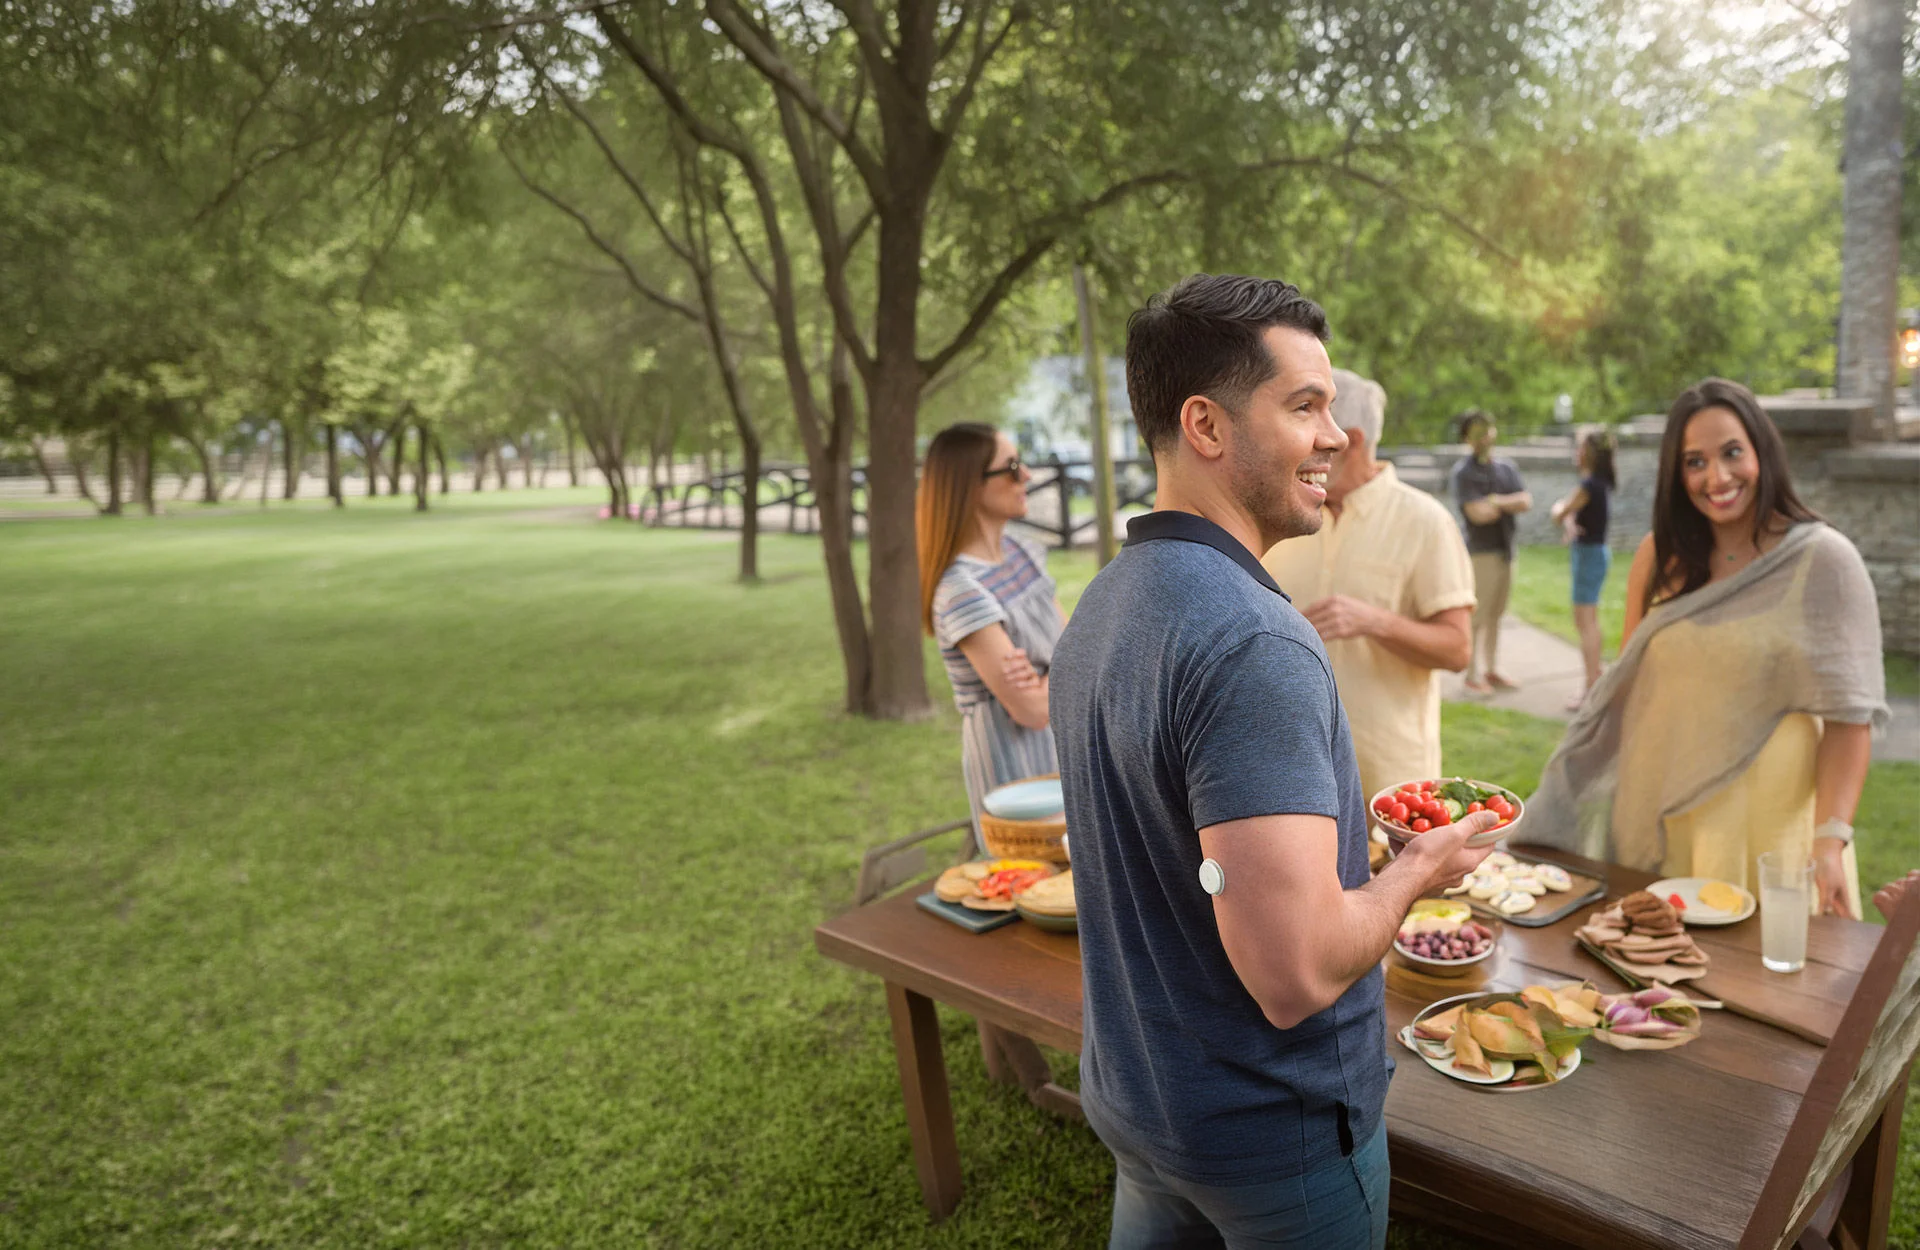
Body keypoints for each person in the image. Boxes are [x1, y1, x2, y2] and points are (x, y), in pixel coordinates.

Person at [1050, 274, 1496, 1249]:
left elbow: (1187, 854)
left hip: (1139, 1104)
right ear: (1206, 426)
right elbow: (1294, 970)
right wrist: (1420, 864)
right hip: (1271, 1139)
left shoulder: (1102, 605)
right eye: (1305, 405)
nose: (1336, 434)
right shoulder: (1255, 635)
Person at [1528, 379, 1886, 919]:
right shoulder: (1658, 558)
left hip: (1764, 834)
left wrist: (1830, 841)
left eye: (1731, 453)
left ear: (1762, 451)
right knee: (1653, 989)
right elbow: (1631, 691)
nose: (1716, 477)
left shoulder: (1822, 560)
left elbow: (1849, 717)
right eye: (1695, 461)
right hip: (1660, 817)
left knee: (1766, 993)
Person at [1262, 369, 1475, 809]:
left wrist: (1374, 621)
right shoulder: (1284, 519)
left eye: (1312, 425)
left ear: (1350, 440)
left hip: (1393, 786)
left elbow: (1457, 649)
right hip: (1292, 778)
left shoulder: (1425, 521)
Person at [916, 423, 1066, 853]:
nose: (1027, 477)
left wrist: (1047, 670)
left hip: (1062, 756)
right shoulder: (961, 590)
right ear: (970, 486)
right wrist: (1063, 664)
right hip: (1014, 779)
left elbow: (1078, 647)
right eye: (1012, 467)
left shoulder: (1021, 552)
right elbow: (1034, 709)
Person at [1450, 409, 1531, 692]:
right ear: (1466, 438)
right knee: (1478, 616)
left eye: (1488, 428)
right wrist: (1505, 505)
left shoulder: (1506, 468)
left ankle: (1492, 670)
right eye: (1476, 431)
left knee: (1497, 615)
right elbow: (1477, 514)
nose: (1485, 435)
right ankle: (1472, 676)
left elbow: (1525, 501)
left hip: (1506, 551)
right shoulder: (1464, 473)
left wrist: (1495, 501)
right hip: (1480, 554)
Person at [1549, 427, 1617, 708]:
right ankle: (1595, 677)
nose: (1576, 453)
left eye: (1580, 448)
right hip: (1592, 553)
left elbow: (1559, 513)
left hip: (1589, 556)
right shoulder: (1598, 484)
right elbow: (1570, 519)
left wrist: (1560, 511)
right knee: (1587, 621)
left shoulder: (1588, 486)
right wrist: (1569, 521)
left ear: (1588, 453)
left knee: (1586, 622)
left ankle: (1590, 687)